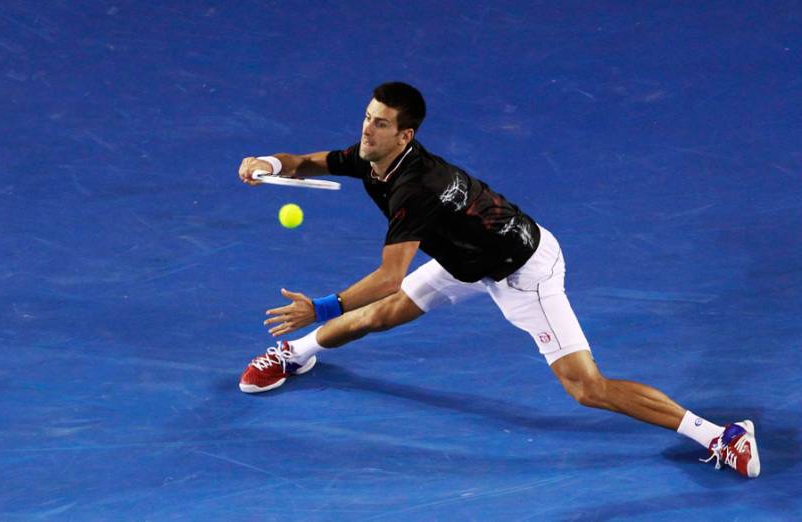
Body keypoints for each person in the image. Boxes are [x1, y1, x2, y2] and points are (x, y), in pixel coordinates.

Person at [235, 82, 760, 478]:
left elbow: (390, 276)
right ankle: (297, 353)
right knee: (381, 317)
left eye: (378, 124)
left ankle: (720, 435)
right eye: (367, 118)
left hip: (523, 272)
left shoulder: (415, 188)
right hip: (467, 259)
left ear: (406, 135)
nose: (366, 130)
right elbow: (306, 161)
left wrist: (323, 305)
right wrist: (267, 161)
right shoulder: (374, 158)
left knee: (586, 388)